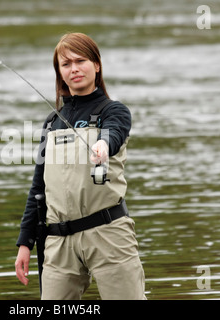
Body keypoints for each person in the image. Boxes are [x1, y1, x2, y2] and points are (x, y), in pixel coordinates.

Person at [15, 32, 146, 300]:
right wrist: (25, 243)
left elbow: (114, 132)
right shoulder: (51, 123)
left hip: (108, 234)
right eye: (66, 64)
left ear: (96, 65)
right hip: (58, 242)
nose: (74, 69)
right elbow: (38, 186)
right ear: (59, 73)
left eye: (80, 60)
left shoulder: (114, 111)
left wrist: (103, 145)